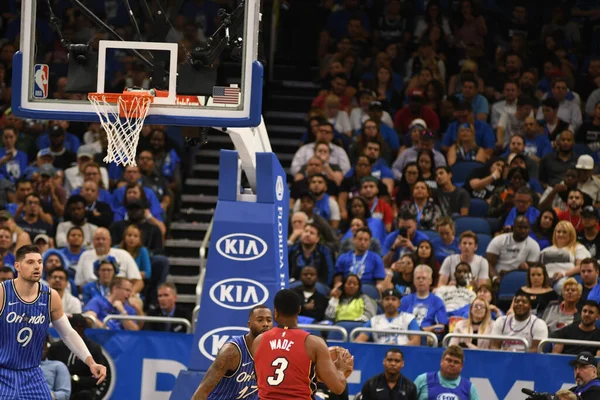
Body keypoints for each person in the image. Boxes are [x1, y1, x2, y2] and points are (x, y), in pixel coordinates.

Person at [0, 245, 106, 398]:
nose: (36, 266)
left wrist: (91, 362)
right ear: (17, 266)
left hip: (32, 373)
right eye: (30, 262)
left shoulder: (50, 296)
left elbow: (68, 333)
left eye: (39, 262)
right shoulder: (3, 292)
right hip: (3, 371)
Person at [252, 289, 354, 398]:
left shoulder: (259, 341)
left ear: (275, 312)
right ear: (299, 310)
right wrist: (341, 370)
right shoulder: (314, 343)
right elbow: (338, 388)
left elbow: (260, 379)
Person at [191, 305, 273, 400]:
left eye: (269, 320)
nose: (265, 324)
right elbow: (202, 391)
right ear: (249, 324)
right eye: (260, 320)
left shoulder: (271, 351)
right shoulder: (231, 352)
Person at [354, 289, 421, 345]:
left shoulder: (409, 318)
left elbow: (416, 341)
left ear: (399, 303)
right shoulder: (374, 320)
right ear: (382, 302)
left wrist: (398, 349)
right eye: (387, 299)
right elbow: (359, 341)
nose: (390, 302)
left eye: (393, 299)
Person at [413, 345, 480, 400]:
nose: (452, 364)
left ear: (461, 366)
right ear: (441, 361)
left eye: (456, 362)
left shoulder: (469, 388)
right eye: (449, 360)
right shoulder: (423, 380)